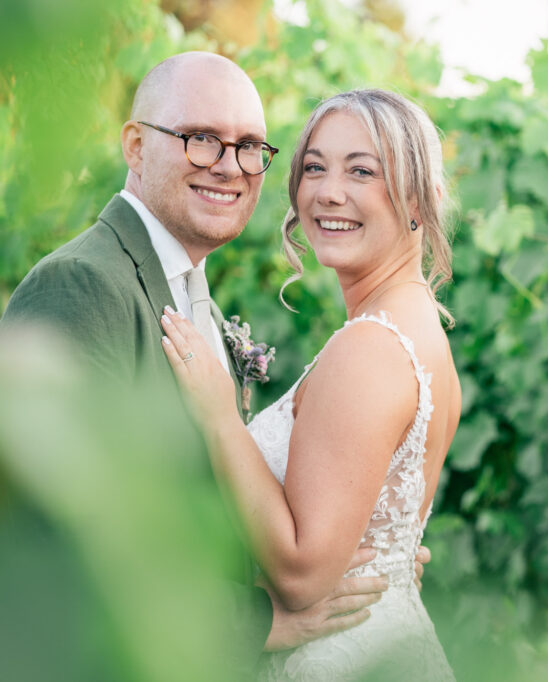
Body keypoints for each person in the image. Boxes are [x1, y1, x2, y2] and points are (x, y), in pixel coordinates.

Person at [0, 52, 402, 671]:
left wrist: (365, 560)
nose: (231, 167)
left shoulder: (198, 307)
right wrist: (265, 620)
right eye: (201, 140)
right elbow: (62, 547)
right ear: (135, 146)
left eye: (249, 147)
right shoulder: (81, 287)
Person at [159, 88, 460, 680]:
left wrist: (221, 421)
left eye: (362, 171)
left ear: (419, 201)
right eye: (315, 167)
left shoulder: (370, 348)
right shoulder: (417, 326)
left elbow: (300, 575)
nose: (328, 192)